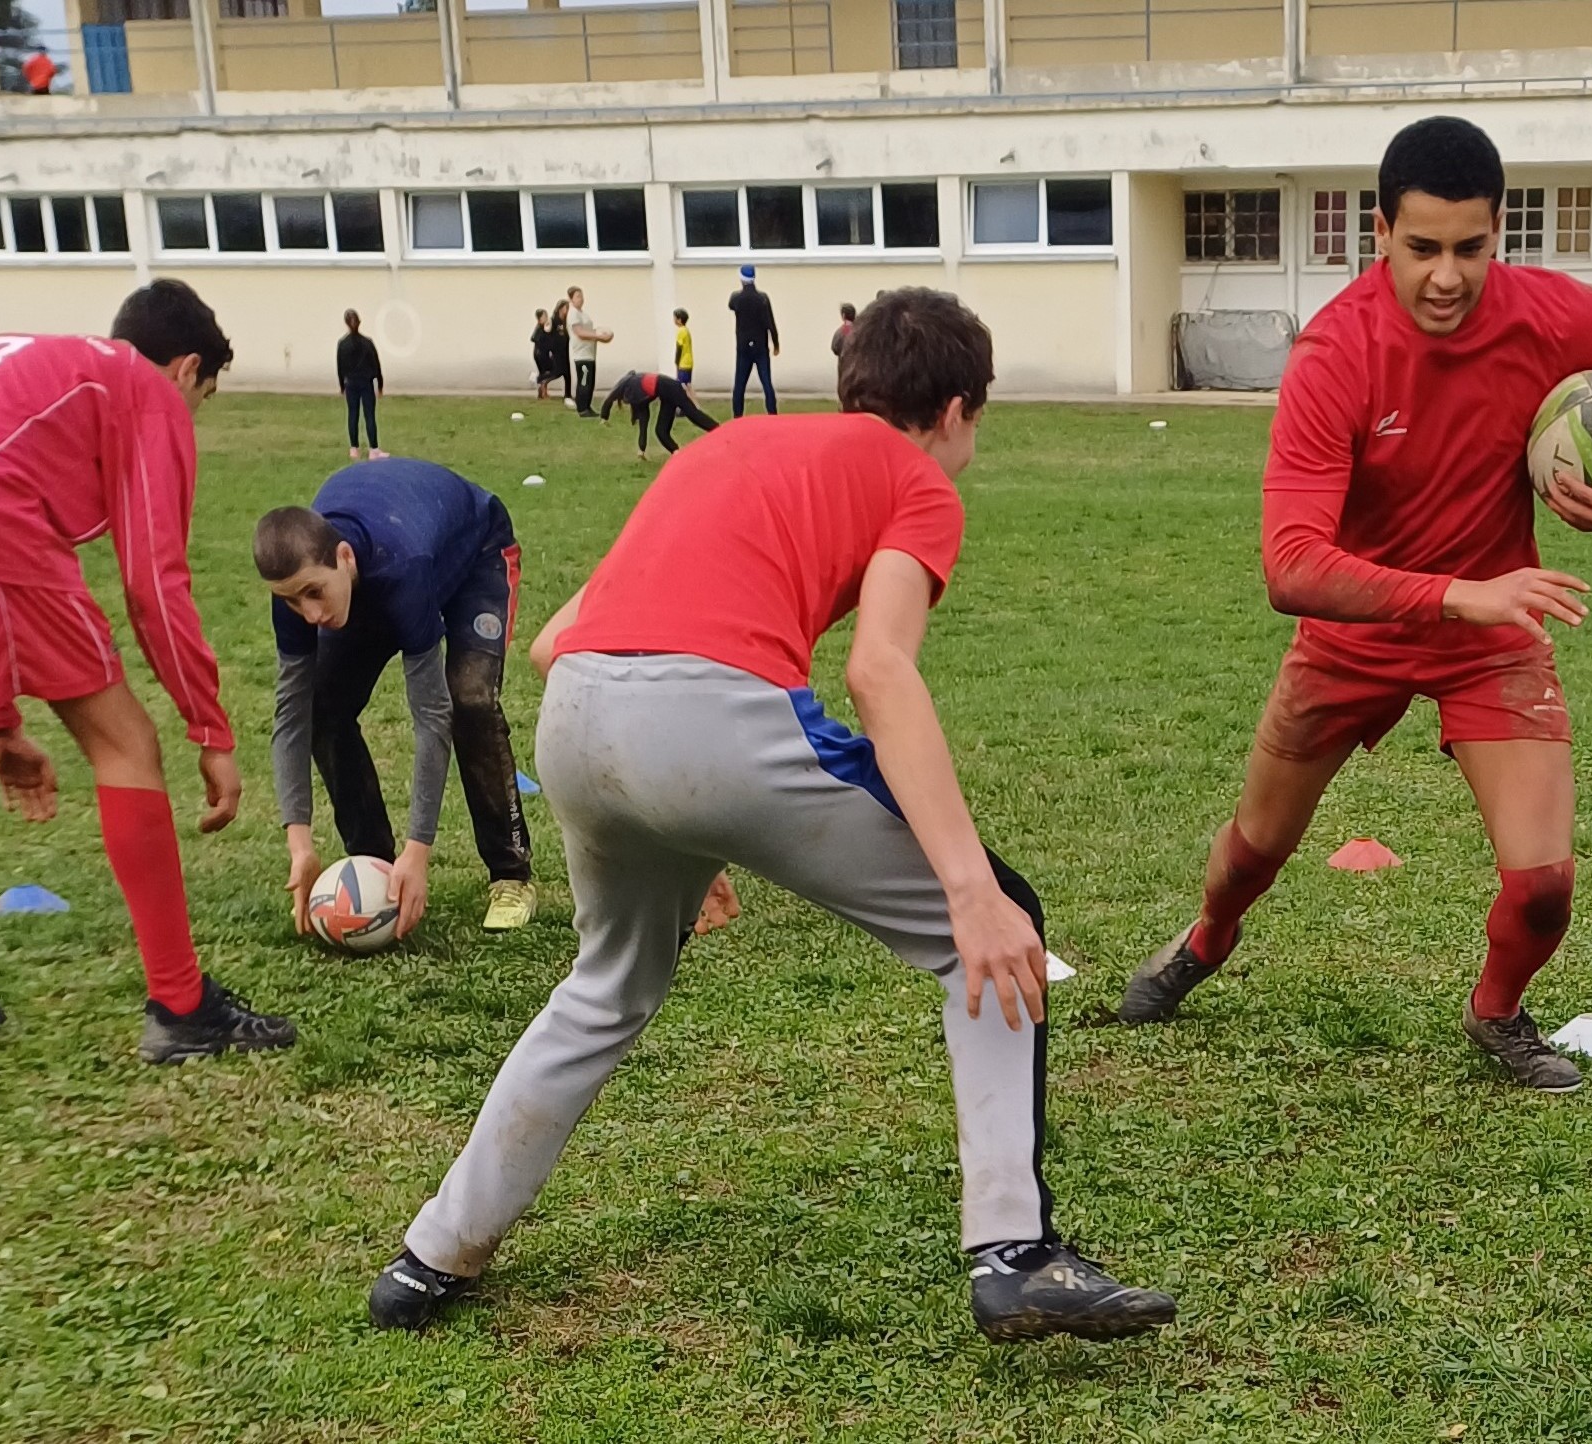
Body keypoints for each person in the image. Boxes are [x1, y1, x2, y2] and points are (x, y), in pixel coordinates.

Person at [367, 287, 1176, 1344]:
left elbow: (550, 642)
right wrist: (969, 890)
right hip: (707, 721)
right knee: (995, 921)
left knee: (602, 990)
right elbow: (880, 672)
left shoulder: (726, 446)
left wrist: (683, 814)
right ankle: (1015, 1251)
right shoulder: (920, 480)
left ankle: (431, 1255)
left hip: (577, 723)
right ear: (960, 409)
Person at [1116, 117, 1592, 1093]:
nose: (1446, 276)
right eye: (1423, 247)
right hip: (1355, 634)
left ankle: (1497, 1011)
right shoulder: (1336, 354)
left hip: (1491, 635)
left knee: (1545, 887)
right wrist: (1456, 593)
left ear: (1498, 232)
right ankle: (1205, 939)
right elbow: (1291, 564)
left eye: (1469, 249)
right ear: (1380, 232)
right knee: (1251, 853)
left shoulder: (1549, 316)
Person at [0, 281, 295, 1062]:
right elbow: (151, 583)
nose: (189, 419)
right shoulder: (144, 391)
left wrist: (2, 722)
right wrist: (209, 726)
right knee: (126, 743)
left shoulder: (43, 358)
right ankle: (182, 1006)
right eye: (201, 399)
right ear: (186, 368)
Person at [254, 459, 537, 938]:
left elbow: (431, 717)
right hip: (384, 567)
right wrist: (299, 844)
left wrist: (419, 849)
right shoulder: (299, 592)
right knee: (322, 707)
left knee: (468, 699)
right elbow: (291, 718)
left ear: (343, 557)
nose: (310, 613)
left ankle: (510, 875)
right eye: (292, 600)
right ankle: (376, 866)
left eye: (314, 593)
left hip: (475, 555)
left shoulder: (401, 569)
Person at [599, 370, 718, 460]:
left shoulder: (632, 388)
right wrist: (642, 450)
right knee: (661, 431)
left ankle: (720, 431)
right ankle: (678, 454)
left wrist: (604, 418)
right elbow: (643, 421)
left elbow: (610, 398)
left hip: (672, 389)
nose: (626, 403)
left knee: (693, 415)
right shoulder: (636, 387)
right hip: (667, 394)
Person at [728, 264, 780, 418]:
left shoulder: (736, 298)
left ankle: (737, 415)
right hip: (760, 346)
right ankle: (772, 412)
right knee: (766, 382)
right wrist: (776, 343)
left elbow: (730, 305)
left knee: (740, 384)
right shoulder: (762, 298)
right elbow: (770, 322)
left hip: (743, 346)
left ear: (742, 279)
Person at [337, 309, 386, 461]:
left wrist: (342, 386)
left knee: (353, 414)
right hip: (366, 383)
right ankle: (374, 449)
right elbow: (376, 365)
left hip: (351, 383)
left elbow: (340, 367)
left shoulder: (342, 344)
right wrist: (380, 384)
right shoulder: (367, 343)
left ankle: (354, 448)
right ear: (359, 322)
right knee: (369, 415)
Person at [565, 287, 611, 418]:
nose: (581, 299)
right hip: (582, 354)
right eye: (578, 296)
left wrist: (601, 333)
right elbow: (579, 332)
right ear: (571, 299)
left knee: (590, 381)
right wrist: (598, 336)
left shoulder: (582, 313)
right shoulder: (573, 313)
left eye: (582, 296)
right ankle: (582, 408)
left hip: (590, 352)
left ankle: (587, 406)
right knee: (584, 381)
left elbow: (589, 330)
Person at [531, 309, 562, 400]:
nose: (546, 318)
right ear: (540, 319)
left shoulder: (546, 327)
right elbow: (534, 338)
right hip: (540, 354)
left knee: (546, 372)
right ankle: (539, 382)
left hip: (542, 353)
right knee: (553, 370)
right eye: (544, 316)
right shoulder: (540, 328)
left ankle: (543, 392)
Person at [672, 308, 694, 386]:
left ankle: (686, 398)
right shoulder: (686, 330)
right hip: (689, 362)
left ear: (679, 320)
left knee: (681, 386)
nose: (673, 320)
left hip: (683, 363)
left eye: (674, 318)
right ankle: (691, 398)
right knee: (688, 385)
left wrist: (676, 361)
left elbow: (679, 348)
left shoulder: (680, 331)